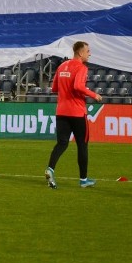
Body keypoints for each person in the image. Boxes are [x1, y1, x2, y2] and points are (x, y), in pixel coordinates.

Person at [45, 41, 103, 189]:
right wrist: (93, 94)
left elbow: (54, 88)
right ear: (80, 53)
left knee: (62, 143)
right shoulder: (82, 68)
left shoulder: (62, 66)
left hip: (61, 111)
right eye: (88, 51)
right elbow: (78, 86)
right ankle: (83, 180)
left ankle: (50, 169)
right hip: (77, 112)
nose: (89, 54)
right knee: (82, 145)